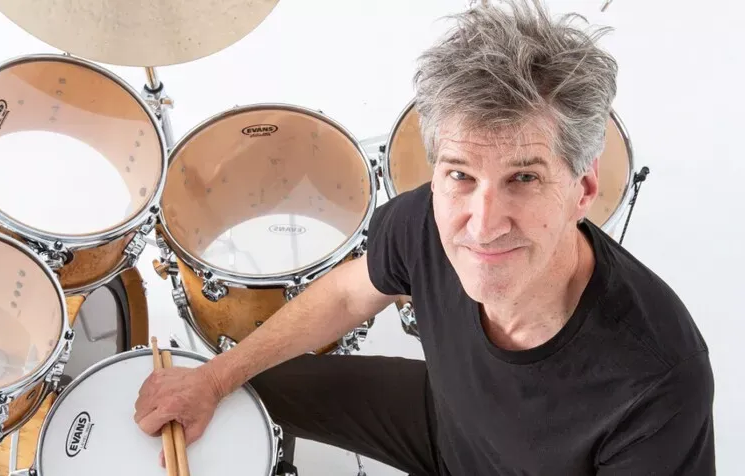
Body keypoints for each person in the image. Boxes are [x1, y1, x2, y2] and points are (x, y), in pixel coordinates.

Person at [133, 1, 716, 474]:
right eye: (461, 175)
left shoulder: (658, 378)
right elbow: (348, 294)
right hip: (443, 421)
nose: (482, 225)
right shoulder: (427, 222)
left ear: (583, 188)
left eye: (523, 178)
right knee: (243, 388)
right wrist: (213, 378)